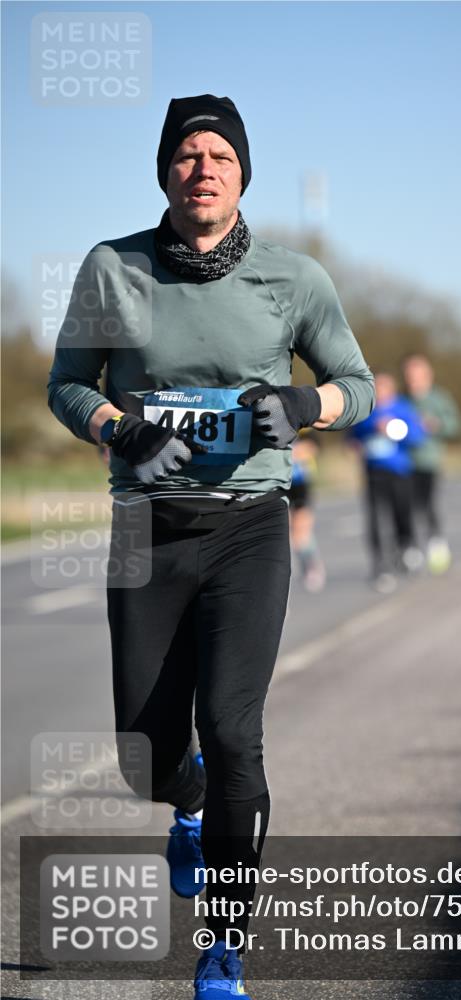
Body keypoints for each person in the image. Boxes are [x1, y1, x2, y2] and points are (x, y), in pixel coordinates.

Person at [47, 94, 374, 999]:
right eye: (187, 155)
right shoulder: (113, 268)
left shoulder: (293, 277)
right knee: (146, 752)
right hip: (146, 530)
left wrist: (305, 404)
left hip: (248, 527)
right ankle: (183, 804)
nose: (203, 169)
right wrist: (118, 426)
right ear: (165, 172)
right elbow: (67, 384)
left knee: (234, 735)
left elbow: (357, 383)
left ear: (242, 174)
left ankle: (224, 945)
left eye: (219, 156)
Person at [348, 371, 426, 593]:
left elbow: (417, 436)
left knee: (402, 511)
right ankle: (380, 564)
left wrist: (395, 428)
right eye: (377, 386)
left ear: (392, 388)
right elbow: (352, 436)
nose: (380, 391)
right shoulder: (366, 410)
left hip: (399, 470)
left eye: (384, 386)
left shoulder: (403, 408)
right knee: (374, 518)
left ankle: (406, 547)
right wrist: (370, 430)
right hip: (373, 472)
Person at [401, 353, 461, 573]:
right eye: (409, 375)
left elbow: (455, 426)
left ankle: (436, 543)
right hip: (403, 463)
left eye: (417, 375)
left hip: (428, 461)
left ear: (428, 375)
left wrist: (437, 425)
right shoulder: (402, 400)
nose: (413, 380)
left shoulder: (439, 399)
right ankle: (410, 548)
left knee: (427, 505)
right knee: (405, 506)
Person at [287, 429, 326, 592]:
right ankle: (295, 568)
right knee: (286, 530)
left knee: (301, 532)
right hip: (281, 485)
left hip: (300, 484)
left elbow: (311, 448)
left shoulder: (305, 429)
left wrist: (294, 453)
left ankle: (311, 566)